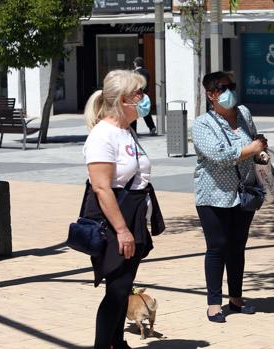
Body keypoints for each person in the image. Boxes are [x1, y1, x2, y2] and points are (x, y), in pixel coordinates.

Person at [82, 69, 164, 349]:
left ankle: (116, 342)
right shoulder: (103, 135)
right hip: (116, 223)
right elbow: (102, 188)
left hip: (134, 218)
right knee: (117, 291)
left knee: (122, 286)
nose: (144, 98)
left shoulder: (125, 130)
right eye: (137, 94)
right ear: (120, 100)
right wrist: (122, 231)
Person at [192, 71, 267, 323]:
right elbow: (220, 156)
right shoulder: (202, 124)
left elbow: (254, 140)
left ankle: (236, 299)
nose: (229, 92)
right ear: (211, 94)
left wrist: (260, 151)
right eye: (224, 88)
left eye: (232, 86)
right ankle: (214, 304)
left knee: (237, 247)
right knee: (217, 248)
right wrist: (251, 149)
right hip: (213, 195)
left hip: (244, 192)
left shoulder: (244, 113)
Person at [131, 57, 157, 135]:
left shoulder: (134, 73)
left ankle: (133, 130)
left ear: (136, 63)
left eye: (134, 63)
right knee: (145, 111)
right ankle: (152, 127)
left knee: (133, 111)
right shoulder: (146, 72)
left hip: (136, 94)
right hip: (144, 94)